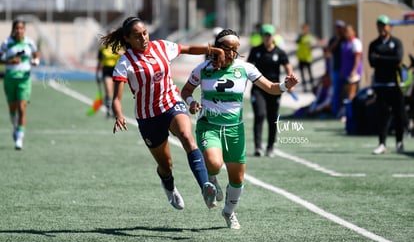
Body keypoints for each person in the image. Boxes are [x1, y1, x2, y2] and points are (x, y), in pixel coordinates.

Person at [102, 16, 225, 210]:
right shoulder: (125, 62)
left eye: (145, 33)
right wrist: (118, 114)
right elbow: (117, 98)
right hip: (148, 117)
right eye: (137, 36)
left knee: (187, 137)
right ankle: (169, 185)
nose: (143, 38)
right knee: (166, 165)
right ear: (127, 39)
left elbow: (187, 49)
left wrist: (212, 50)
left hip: (171, 103)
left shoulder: (161, 47)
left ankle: (205, 188)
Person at [181, 28, 299, 229]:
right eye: (228, 48)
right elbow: (186, 90)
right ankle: (211, 178)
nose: (233, 52)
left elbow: (270, 87)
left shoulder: (245, 68)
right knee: (214, 163)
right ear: (218, 48)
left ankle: (229, 212)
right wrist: (191, 102)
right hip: (209, 126)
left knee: (237, 178)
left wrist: (285, 85)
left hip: (235, 130)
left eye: (236, 48)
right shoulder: (202, 69)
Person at [247, 24, 293, 157]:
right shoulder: (256, 50)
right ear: (261, 36)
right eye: (265, 35)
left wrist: (290, 84)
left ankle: (270, 146)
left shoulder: (279, 52)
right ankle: (258, 147)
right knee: (260, 114)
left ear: (274, 37)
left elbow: (288, 67)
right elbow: (249, 68)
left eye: (269, 35)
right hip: (259, 89)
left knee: (272, 117)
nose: (267, 38)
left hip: (275, 89)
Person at [0, 19, 40, 150]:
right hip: (10, 79)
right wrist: (9, 61)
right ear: (13, 29)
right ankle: (15, 127)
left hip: (24, 79)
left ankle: (19, 137)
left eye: (21, 28)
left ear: (24, 29)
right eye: (17, 28)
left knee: (22, 108)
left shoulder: (29, 43)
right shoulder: (7, 43)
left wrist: (36, 61)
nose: (19, 30)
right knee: (12, 109)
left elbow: (36, 54)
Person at [368, 14, 405, 155]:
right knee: (382, 115)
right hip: (381, 84)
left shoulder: (396, 42)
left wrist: (380, 58)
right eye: (379, 25)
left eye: (384, 25)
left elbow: (398, 58)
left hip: (395, 85)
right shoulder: (374, 44)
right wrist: (386, 59)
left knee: (399, 115)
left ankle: (399, 142)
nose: (382, 28)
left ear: (389, 27)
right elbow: (372, 62)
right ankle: (382, 144)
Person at [96, 38, 121, 118]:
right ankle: (109, 110)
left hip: (116, 70)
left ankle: (115, 110)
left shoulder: (119, 46)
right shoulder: (103, 48)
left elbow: (126, 54)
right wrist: (97, 73)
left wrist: (119, 52)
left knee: (116, 93)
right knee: (108, 90)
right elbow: (99, 62)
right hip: (106, 71)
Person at [327, 20, 346, 117]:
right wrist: (338, 40)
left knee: (345, 92)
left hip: (346, 69)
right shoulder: (334, 39)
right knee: (336, 91)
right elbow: (329, 51)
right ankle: (335, 111)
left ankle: (344, 112)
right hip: (337, 69)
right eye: (337, 27)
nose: (339, 29)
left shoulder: (346, 39)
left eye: (340, 27)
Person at [340, 24, 363, 103]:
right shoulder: (345, 43)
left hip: (353, 72)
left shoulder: (355, 42)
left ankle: (351, 113)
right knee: (346, 93)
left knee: (351, 93)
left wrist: (354, 70)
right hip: (346, 72)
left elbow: (357, 57)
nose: (346, 33)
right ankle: (347, 111)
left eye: (348, 31)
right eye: (345, 31)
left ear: (353, 32)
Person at [296, 23, 316, 92]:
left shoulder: (310, 37)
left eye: (306, 29)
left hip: (308, 58)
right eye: (303, 29)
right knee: (302, 74)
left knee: (310, 73)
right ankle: (304, 88)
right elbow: (296, 42)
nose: (304, 30)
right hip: (301, 58)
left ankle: (313, 87)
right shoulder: (300, 36)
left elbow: (313, 45)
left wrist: (311, 46)